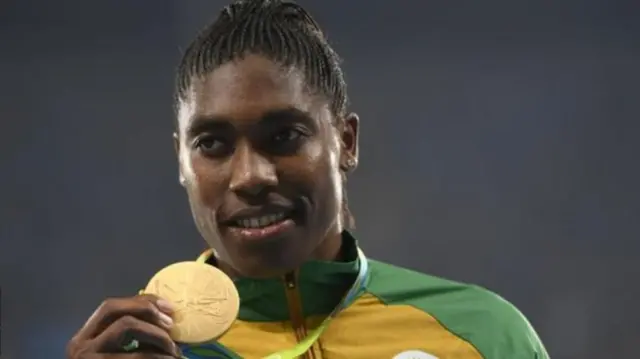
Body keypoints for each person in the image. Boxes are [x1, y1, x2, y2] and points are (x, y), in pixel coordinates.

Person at [66, 1, 549, 358]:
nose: (251, 176)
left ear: (346, 142)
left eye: (284, 135)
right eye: (212, 144)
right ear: (181, 161)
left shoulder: (483, 336)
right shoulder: (133, 351)